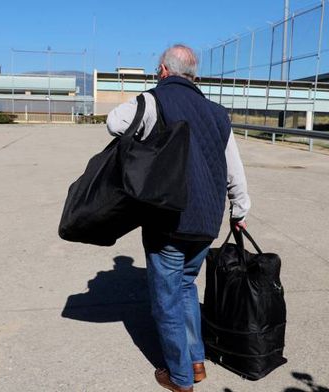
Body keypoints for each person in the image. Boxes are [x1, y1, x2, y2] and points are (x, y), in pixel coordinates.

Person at [106, 44, 250, 392]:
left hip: (168, 219)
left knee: (167, 300)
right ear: (194, 75)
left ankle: (181, 377)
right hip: (207, 221)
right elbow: (234, 168)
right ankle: (196, 361)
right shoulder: (217, 112)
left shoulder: (153, 100)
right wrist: (239, 209)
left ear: (163, 71)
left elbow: (114, 122)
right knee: (186, 286)